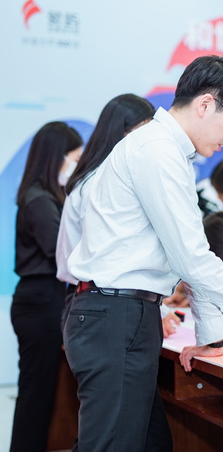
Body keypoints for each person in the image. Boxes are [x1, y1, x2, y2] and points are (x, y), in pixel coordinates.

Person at [63, 55, 223, 452]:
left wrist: (213, 337)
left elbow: (187, 254)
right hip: (116, 316)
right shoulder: (156, 151)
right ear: (206, 104)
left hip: (123, 316)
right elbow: (192, 257)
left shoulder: (166, 152)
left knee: (152, 443)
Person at [55, 93, 181, 337]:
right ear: (122, 134)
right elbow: (113, 262)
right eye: (144, 131)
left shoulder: (92, 178)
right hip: (100, 300)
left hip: (94, 299)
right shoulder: (101, 182)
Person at [11, 121, 83, 452]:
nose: (77, 166)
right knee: (36, 394)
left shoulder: (45, 196)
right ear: (57, 157)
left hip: (45, 299)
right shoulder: (39, 199)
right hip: (40, 301)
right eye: (75, 158)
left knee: (45, 393)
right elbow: (62, 254)